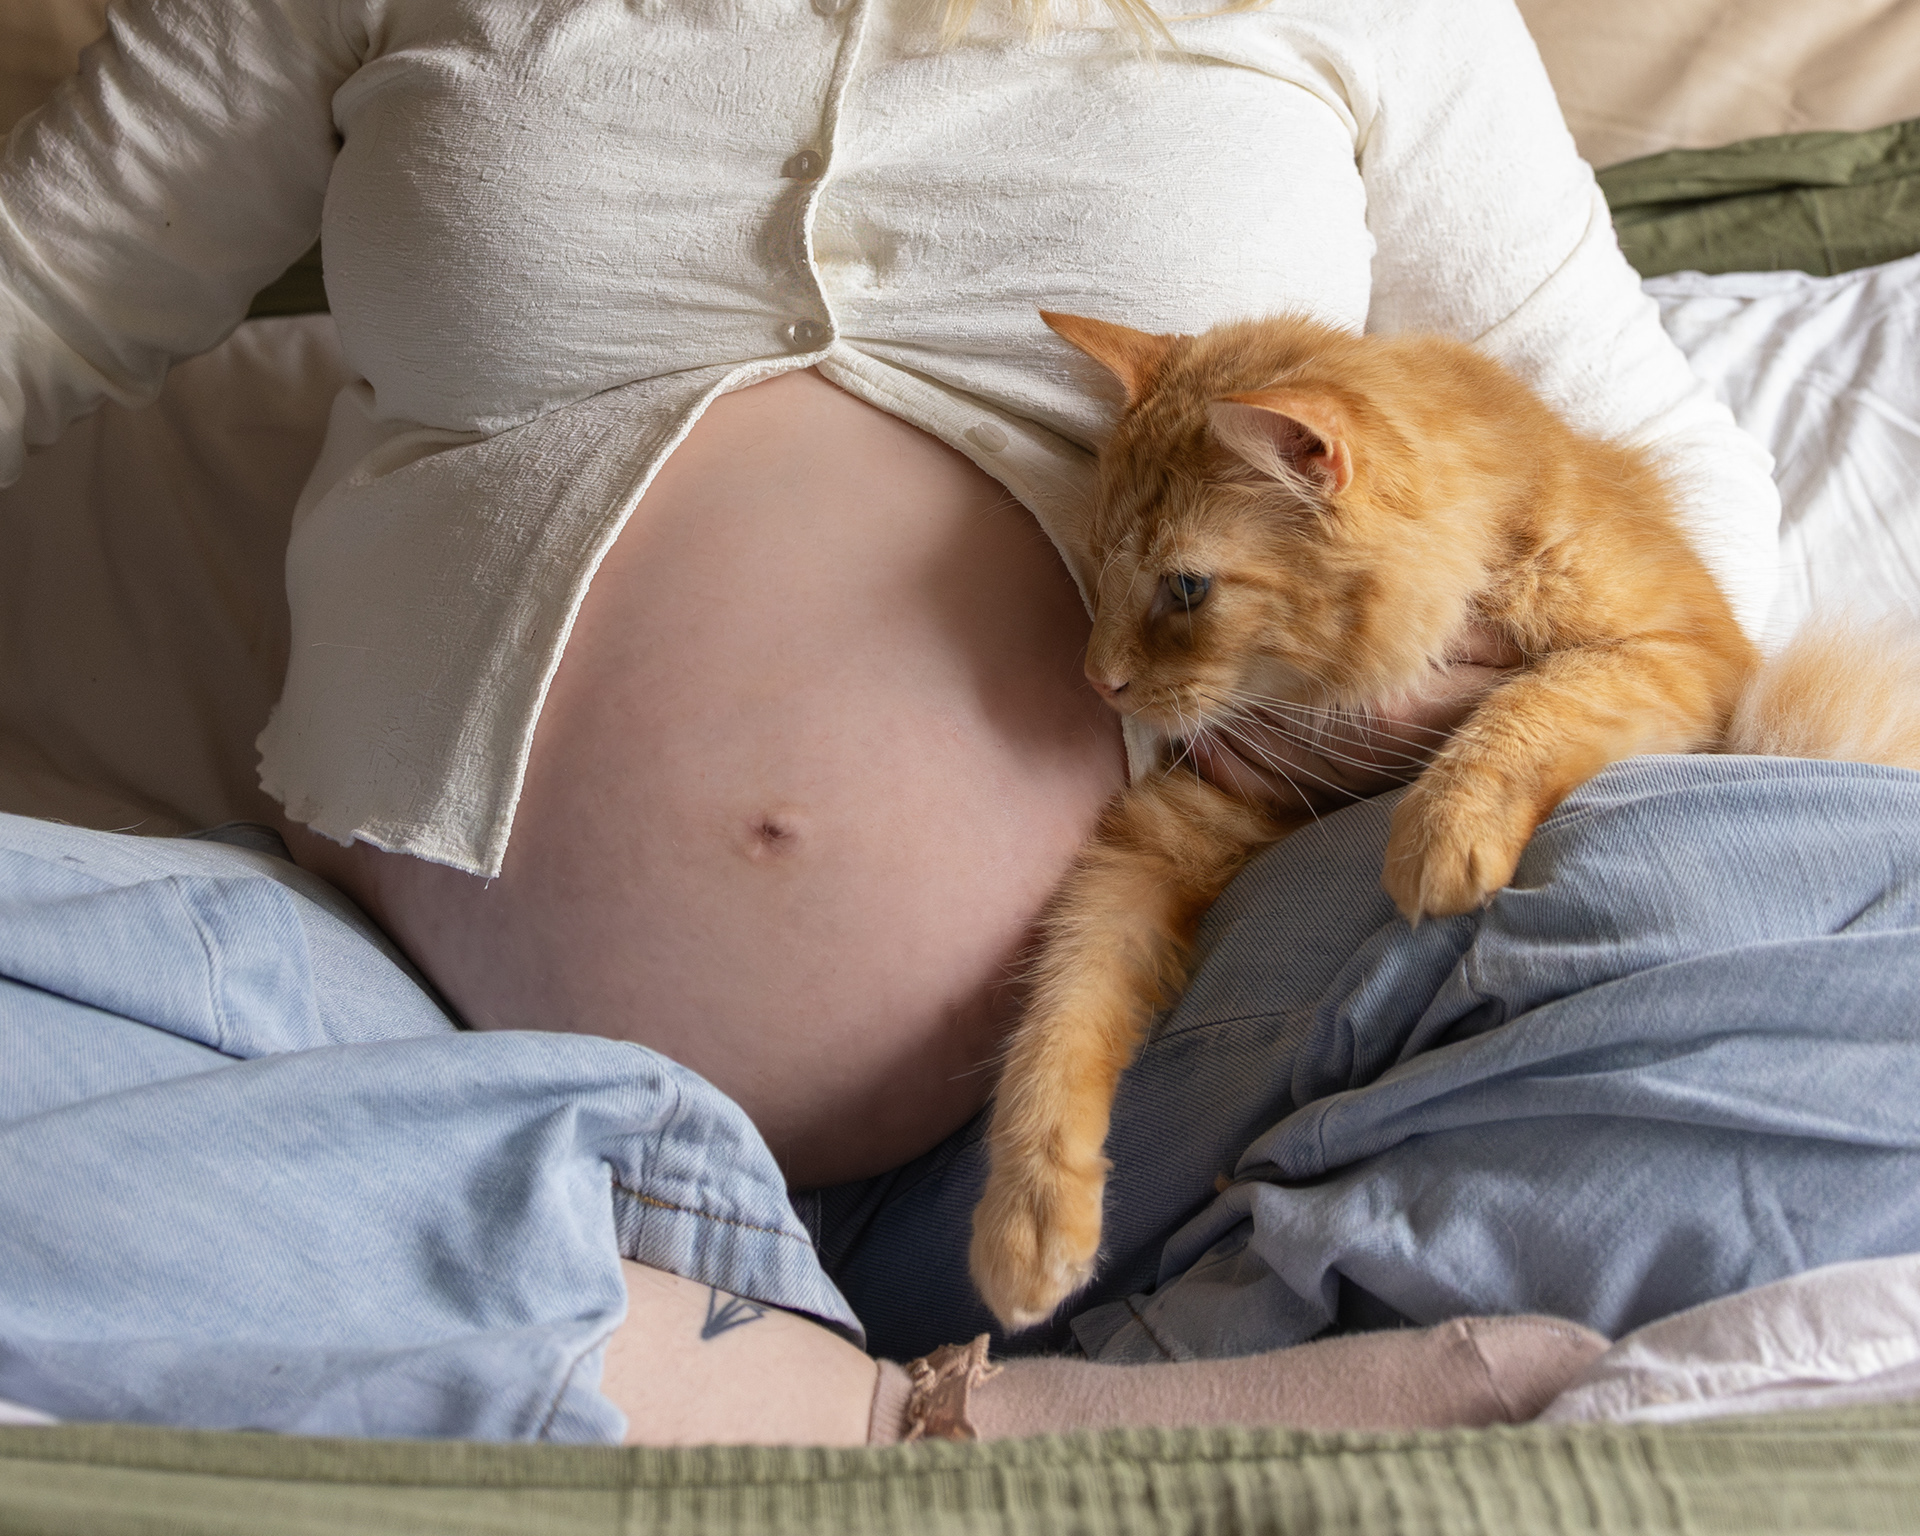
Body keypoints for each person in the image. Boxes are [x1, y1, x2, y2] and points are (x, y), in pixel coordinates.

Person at [15, 0, 1898, 1449]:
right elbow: (33, 301)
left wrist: (1410, 695)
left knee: (1847, 905)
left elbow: (1666, 496)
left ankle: (1022, 1346)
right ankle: (937, 1401)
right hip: (418, 1068)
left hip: (1173, 1083)